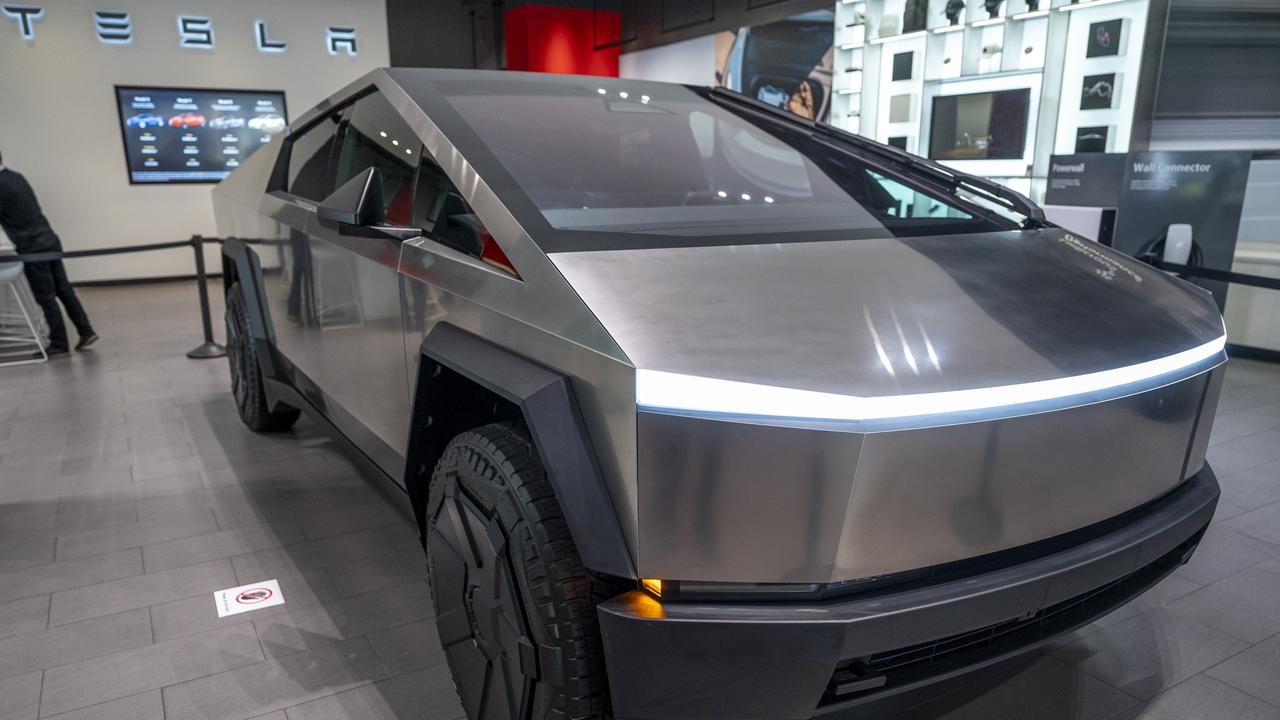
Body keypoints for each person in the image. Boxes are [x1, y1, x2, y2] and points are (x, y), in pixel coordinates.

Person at [0, 150, 97, 356]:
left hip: (32, 246)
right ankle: (85, 330)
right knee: (63, 288)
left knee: (45, 296)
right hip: (49, 239)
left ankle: (59, 343)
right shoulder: (16, 176)